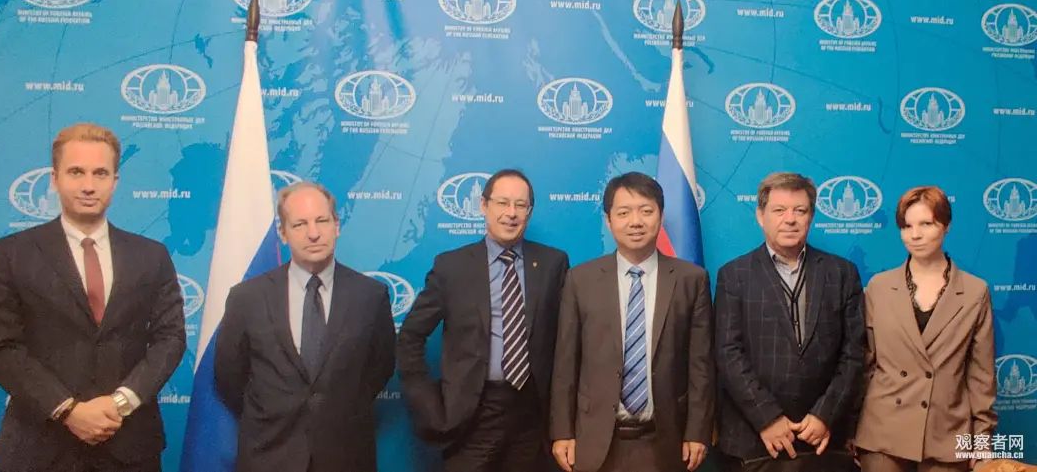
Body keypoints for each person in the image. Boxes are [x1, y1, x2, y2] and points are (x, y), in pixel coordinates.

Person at [0, 122, 186, 472]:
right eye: (76, 172)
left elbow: (171, 337)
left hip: (129, 447)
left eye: (100, 173)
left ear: (115, 181)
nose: (89, 185)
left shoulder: (151, 256)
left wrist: (120, 403)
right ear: (54, 179)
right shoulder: (10, 254)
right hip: (39, 449)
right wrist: (68, 410)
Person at [214, 181, 395, 472]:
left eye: (322, 221)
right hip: (268, 455)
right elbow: (229, 375)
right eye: (299, 224)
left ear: (337, 226)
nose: (313, 233)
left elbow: (380, 368)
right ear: (283, 233)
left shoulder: (370, 296)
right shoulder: (247, 297)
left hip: (345, 456)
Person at [397, 169, 569, 472]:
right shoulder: (452, 267)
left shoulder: (553, 263)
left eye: (520, 205)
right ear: (483, 205)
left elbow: (568, 341)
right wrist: (428, 404)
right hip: (471, 418)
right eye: (502, 203)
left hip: (532, 419)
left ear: (529, 212)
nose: (511, 213)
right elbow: (410, 337)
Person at [550, 172, 714, 472]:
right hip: (595, 439)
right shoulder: (580, 280)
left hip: (666, 439)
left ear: (661, 216)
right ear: (609, 220)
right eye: (624, 213)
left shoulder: (691, 280)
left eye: (646, 211)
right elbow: (565, 364)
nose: (635, 222)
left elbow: (700, 366)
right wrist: (562, 431)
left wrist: (697, 431)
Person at [715, 172, 864, 472]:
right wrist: (767, 418)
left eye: (800, 210)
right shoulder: (734, 275)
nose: (790, 219)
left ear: (811, 217)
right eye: (779, 210)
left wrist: (825, 415)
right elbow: (728, 353)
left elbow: (854, 354)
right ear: (761, 216)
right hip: (754, 440)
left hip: (821, 438)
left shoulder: (842, 273)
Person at [854, 186, 996, 472]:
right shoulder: (879, 287)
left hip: (946, 433)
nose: (915, 235)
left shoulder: (974, 291)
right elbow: (864, 364)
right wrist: (852, 431)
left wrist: (982, 442)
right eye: (907, 226)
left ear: (946, 225)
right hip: (882, 431)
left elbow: (981, 376)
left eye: (926, 224)